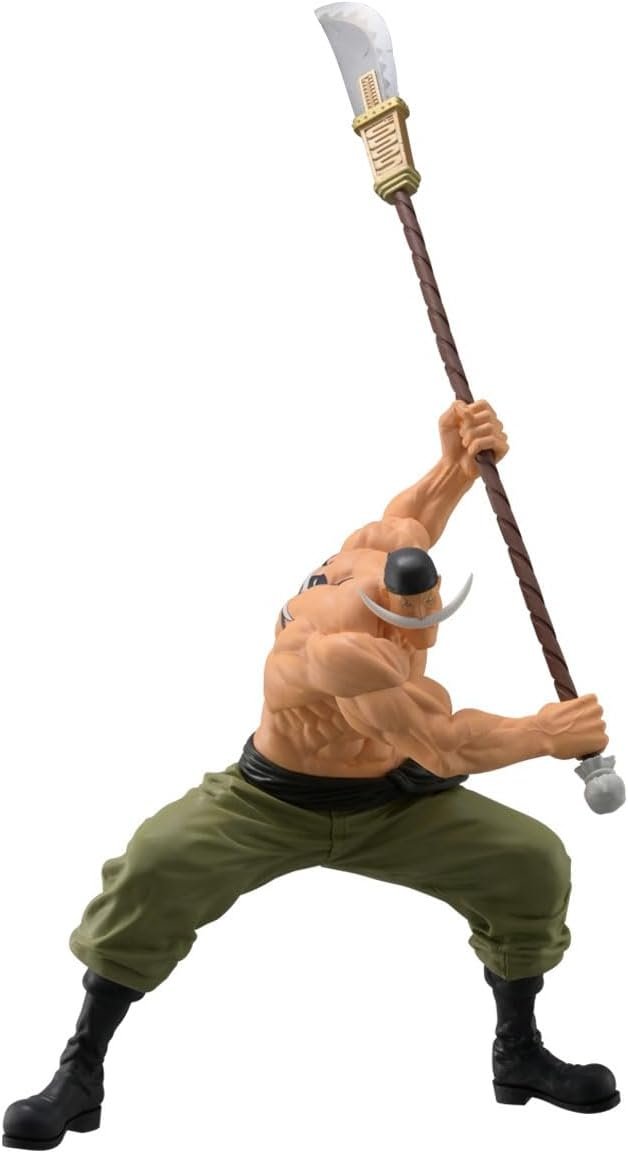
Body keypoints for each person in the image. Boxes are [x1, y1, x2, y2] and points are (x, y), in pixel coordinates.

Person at [3, 399, 619, 1150]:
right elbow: (443, 744)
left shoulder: (376, 553)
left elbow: (409, 518)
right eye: (412, 625)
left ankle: (518, 1054)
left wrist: (456, 467)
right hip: (272, 802)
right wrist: (544, 733)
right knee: (154, 867)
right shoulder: (336, 649)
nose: (419, 638)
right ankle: (79, 1071)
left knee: (530, 861)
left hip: (393, 803)